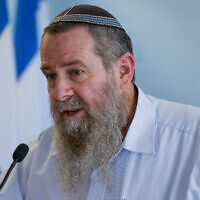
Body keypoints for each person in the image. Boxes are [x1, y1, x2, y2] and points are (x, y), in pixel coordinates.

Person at [0, 4, 200, 200]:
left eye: (76, 72)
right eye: (51, 76)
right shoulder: (32, 162)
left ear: (123, 71)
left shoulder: (193, 140)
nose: (60, 92)